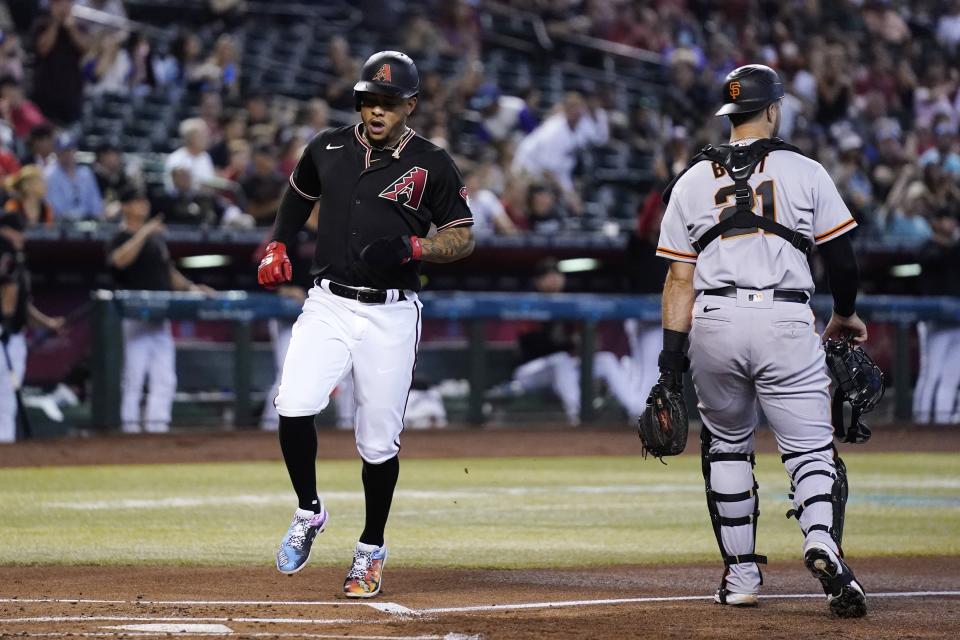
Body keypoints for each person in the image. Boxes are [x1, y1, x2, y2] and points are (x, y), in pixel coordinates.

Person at [257, 50, 474, 598]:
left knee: (377, 444)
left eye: (390, 102)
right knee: (293, 404)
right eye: (370, 100)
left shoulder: (432, 163)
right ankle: (309, 511)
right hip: (328, 301)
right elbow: (298, 193)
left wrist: (415, 245)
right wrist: (278, 241)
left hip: (392, 313)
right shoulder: (327, 146)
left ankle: (370, 549)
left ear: (410, 106)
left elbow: (462, 234)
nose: (377, 110)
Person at [654, 65, 868, 617]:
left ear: (730, 115)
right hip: (785, 317)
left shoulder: (690, 180)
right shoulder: (805, 170)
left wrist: (669, 368)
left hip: (715, 319)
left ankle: (743, 576)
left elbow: (679, 280)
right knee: (810, 448)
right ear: (772, 110)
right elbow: (842, 259)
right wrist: (844, 314)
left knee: (726, 443)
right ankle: (820, 539)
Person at [107, 186, 213, 433]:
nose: (143, 205)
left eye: (143, 201)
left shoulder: (155, 239)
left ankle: (158, 429)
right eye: (136, 201)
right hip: (134, 317)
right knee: (134, 376)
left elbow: (168, 272)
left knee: (165, 377)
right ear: (125, 206)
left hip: (161, 316)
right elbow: (120, 261)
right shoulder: (120, 237)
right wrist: (145, 231)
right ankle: (129, 428)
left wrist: (192, 287)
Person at [487, 258, 642, 425]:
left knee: (606, 360)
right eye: (548, 276)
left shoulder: (570, 306)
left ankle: (638, 411)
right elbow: (533, 346)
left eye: (557, 275)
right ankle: (579, 415)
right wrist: (569, 342)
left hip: (565, 370)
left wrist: (586, 344)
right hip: (530, 372)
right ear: (538, 281)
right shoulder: (529, 304)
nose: (554, 279)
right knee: (561, 359)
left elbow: (581, 344)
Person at [0, 212, 64, 443]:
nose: (22, 238)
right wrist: (6, 325)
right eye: (20, 232)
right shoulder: (5, 248)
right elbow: (8, 290)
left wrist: (47, 323)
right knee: (5, 397)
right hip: (5, 334)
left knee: (6, 397)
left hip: (11, 333)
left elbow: (21, 305)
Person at [31, 0, 89, 124]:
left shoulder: (79, 26)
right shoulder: (41, 24)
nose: (62, 7)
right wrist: (55, 23)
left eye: (66, 3)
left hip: (71, 91)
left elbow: (85, 49)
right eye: (58, 3)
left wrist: (72, 28)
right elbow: (43, 49)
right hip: (45, 90)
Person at [44, 133, 104, 220]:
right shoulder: (50, 174)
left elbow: (96, 205)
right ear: (56, 153)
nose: (67, 154)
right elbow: (55, 208)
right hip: (61, 225)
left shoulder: (85, 173)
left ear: (75, 150)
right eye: (63, 151)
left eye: (70, 150)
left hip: (88, 223)